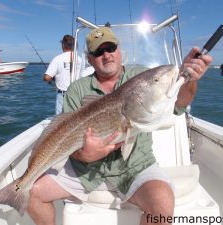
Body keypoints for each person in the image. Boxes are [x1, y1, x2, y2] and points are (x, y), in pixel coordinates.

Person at [28, 27, 213, 225]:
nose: (106, 55)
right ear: (89, 60)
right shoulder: (77, 89)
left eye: (111, 48)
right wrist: (85, 154)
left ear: (119, 51)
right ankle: (15, 188)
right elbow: (67, 142)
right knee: (33, 193)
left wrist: (189, 80)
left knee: (162, 204)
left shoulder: (141, 75)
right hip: (86, 171)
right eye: (98, 52)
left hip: (136, 167)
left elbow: (179, 103)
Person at [43, 34, 80, 114]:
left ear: (63, 45)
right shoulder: (80, 59)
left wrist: (52, 78)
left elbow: (47, 77)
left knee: (60, 120)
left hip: (63, 95)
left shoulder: (58, 59)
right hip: (78, 94)